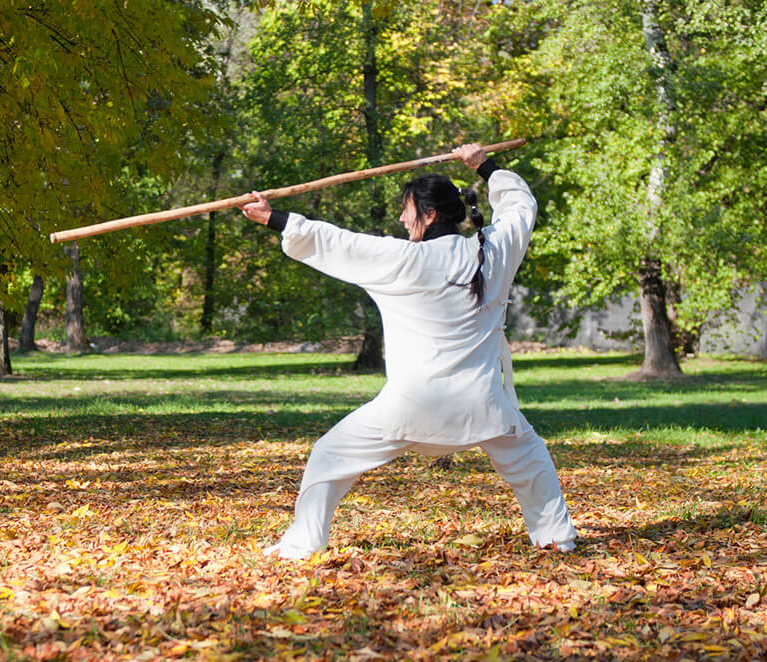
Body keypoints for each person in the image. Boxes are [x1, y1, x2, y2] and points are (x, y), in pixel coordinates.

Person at [239, 143, 577, 560]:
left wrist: (273, 217)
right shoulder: (493, 252)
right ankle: (555, 538)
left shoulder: (401, 260)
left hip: (409, 408)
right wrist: (483, 165)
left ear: (429, 215)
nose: (402, 218)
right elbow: (521, 207)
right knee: (530, 460)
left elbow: (338, 243)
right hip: (485, 408)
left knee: (329, 456)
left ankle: (303, 542)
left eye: (407, 209)